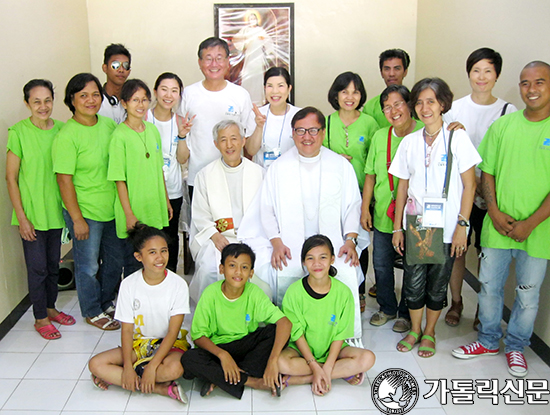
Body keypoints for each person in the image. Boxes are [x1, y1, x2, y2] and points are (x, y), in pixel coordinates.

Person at [452, 61, 550, 378]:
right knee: (490, 288)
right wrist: (492, 212)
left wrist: (530, 222)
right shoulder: (504, 126)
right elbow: (488, 172)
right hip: (497, 227)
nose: (531, 89)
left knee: (526, 293)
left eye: (539, 82)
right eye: (524, 83)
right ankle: (488, 340)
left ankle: (517, 347)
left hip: (539, 231)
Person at [239, 107, 367, 344]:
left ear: (323, 132)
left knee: (346, 270)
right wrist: (276, 242)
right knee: (285, 268)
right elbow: (266, 208)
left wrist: (350, 240)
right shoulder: (279, 167)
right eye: (300, 131)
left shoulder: (339, 165)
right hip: (290, 243)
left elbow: (353, 206)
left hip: (333, 244)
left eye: (312, 130)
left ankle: (346, 336)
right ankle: (291, 336)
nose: (306, 136)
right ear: (293, 133)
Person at [390, 78, 480, 357]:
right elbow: (402, 186)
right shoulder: (409, 142)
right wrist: (397, 228)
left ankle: (430, 332)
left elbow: (470, 185)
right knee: (413, 282)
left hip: (448, 225)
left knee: (438, 282)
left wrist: (462, 226)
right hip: (416, 224)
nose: (424, 107)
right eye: (418, 101)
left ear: (442, 104)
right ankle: (415, 329)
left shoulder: (457, 137)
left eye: (430, 101)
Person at [443, 48, 517, 328]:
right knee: (457, 251)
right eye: (476, 70)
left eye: (488, 71)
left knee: (487, 254)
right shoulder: (454, 109)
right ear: (468, 74)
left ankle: (483, 311)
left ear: (496, 75)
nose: (481, 77)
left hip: (491, 195)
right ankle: (457, 301)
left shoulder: (508, 112)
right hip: (461, 192)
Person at [88, 223, 189, 404]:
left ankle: (120, 378)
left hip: (168, 344)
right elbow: (126, 330)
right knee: (95, 364)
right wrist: (127, 366)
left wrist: (153, 366)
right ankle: (159, 388)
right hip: (139, 344)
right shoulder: (128, 284)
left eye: (164, 251)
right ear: (138, 256)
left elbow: (173, 332)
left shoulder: (178, 284)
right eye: (152, 252)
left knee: (175, 369)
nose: (160, 257)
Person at [6, 79, 75, 340]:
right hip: (32, 214)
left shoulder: (61, 129)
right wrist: (21, 217)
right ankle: (40, 317)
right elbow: (10, 178)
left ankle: (51, 307)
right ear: (27, 103)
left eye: (47, 100)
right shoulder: (19, 132)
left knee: (52, 265)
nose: (43, 106)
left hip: (55, 211)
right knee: (37, 268)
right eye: (37, 101)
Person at [53, 73, 123, 331]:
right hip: (85, 212)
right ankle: (92, 310)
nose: (91, 100)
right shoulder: (67, 135)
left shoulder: (108, 126)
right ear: (71, 100)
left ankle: (106, 301)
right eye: (83, 95)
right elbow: (64, 180)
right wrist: (77, 218)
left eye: (95, 94)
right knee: (88, 266)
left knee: (115, 261)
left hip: (111, 209)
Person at [181, 243, 292, 399]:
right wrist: (223, 355)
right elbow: (198, 336)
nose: (238, 272)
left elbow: (285, 323)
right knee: (189, 359)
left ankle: (221, 377)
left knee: (276, 332)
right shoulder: (210, 294)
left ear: (251, 273)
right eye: (232, 265)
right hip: (219, 348)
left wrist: (273, 361)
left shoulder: (254, 293)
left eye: (244, 267)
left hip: (245, 345)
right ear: (222, 269)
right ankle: (251, 381)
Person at [361, 84, 424, 332]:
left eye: (398, 104)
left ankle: (407, 314)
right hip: (384, 215)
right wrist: (365, 208)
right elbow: (370, 176)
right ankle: (387, 308)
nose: (393, 111)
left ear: (409, 105)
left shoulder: (424, 133)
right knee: (382, 265)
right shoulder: (380, 137)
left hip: (416, 216)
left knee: (413, 267)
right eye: (387, 107)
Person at [278, 235, 375, 396]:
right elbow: (297, 334)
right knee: (279, 362)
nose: (317, 264)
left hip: (334, 351)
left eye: (323, 257)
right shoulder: (294, 292)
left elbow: (340, 335)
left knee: (368, 358)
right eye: (310, 258)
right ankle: (338, 372)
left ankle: (301, 379)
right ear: (303, 262)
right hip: (302, 352)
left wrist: (327, 366)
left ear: (331, 259)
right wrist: (314, 365)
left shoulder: (343, 293)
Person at [188, 120, 267, 302]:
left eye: (234, 138)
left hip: (252, 236)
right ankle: (209, 316)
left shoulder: (259, 173)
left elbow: (267, 211)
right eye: (223, 140)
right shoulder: (205, 175)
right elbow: (200, 214)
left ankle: (256, 318)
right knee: (209, 268)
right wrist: (215, 237)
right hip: (219, 238)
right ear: (216, 144)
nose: (229, 145)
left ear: (243, 141)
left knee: (264, 266)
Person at [108, 79, 172, 276]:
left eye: (144, 100)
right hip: (133, 209)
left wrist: (166, 200)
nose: (141, 105)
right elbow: (119, 179)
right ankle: (135, 305)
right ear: (124, 103)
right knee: (134, 263)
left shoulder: (152, 130)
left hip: (154, 205)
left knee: (156, 260)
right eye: (135, 100)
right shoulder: (119, 135)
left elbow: (158, 169)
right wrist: (128, 214)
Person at [179, 37, 256, 196]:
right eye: (208, 59)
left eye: (219, 59)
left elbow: (247, 142)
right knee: (202, 221)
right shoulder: (188, 94)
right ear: (200, 63)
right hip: (198, 177)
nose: (214, 64)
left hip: (233, 176)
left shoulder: (240, 95)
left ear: (228, 61)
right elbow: (181, 135)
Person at [147, 72, 194, 272]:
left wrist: (182, 136)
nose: (168, 95)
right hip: (148, 189)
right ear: (155, 91)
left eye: (174, 90)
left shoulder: (180, 121)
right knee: (147, 237)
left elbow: (182, 158)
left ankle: (170, 276)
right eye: (164, 89)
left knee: (170, 237)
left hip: (172, 189)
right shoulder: (144, 117)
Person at [245, 67, 300, 168]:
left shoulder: (299, 115)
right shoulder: (256, 114)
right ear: (265, 88)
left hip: (290, 174)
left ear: (289, 88)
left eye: (280, 86)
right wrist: (259, 126)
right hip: (262, 176)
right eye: (270, 86)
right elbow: (251, 151)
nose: (275, 91)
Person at [232, 10, 275, 105]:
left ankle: (258, 100)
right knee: (247, 76)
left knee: (258, 77)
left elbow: (268, 41)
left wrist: (263, 41)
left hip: (258, 57)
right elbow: (237, 39)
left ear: (257, 19)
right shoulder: (245, 30)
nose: (252, 20)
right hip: (249, 56)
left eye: (254, 18)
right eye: (250, 19)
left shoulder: (260, 30)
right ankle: (246, 99)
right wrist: (245, 42)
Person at [363, 49, 411, 129]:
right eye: (387, 69)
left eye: (397, 68)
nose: (392, 74)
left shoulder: (415, 102)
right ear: (381, 73)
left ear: (405, 72)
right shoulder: (370, 107)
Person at [98, 43, 132, 124]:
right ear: (105, 68)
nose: (121, 70)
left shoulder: (133, 100)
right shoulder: (96, 101)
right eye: (115, 65)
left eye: (125, 66)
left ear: (129, 71)